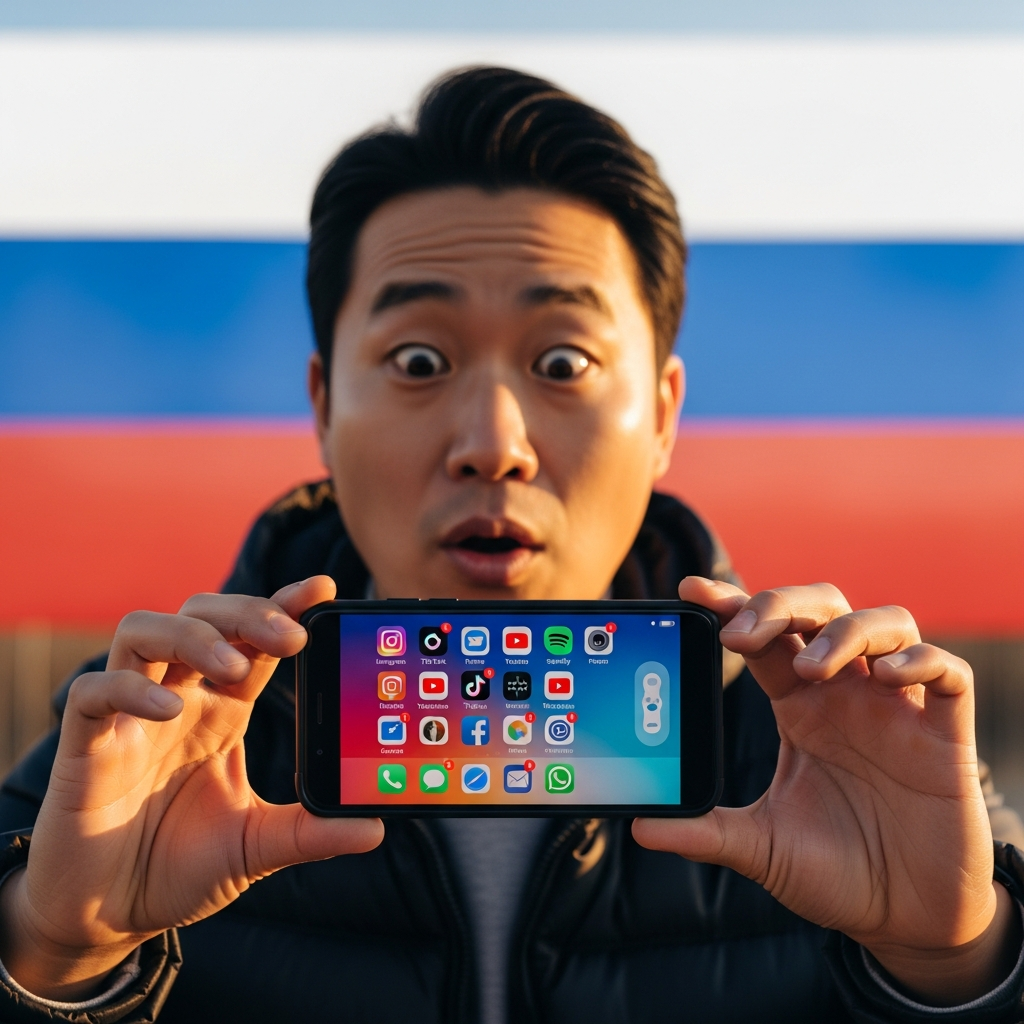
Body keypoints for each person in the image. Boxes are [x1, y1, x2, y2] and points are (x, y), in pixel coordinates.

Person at [1, 66, 1023, 1024]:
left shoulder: (850, 741)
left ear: (662, 412)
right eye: (416, 359)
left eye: (564, 360)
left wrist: (958, 962)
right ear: (322, 405)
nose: (493, 444)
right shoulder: (146, 741)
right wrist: (51, 954)